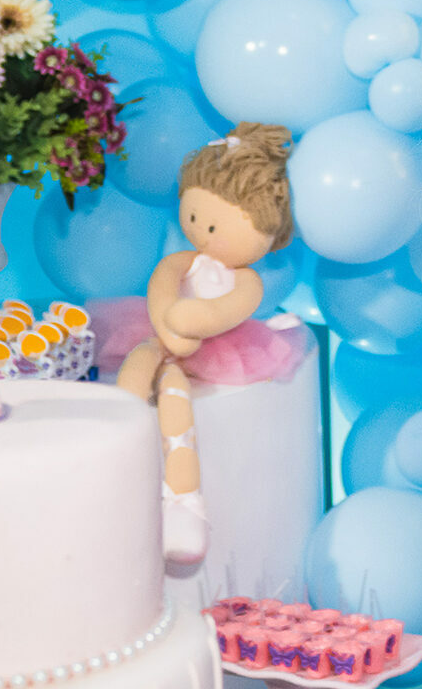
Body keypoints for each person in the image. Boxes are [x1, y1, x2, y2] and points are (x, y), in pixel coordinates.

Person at [98, 121, 309, 564]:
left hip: (218, 347)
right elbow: (162, 285)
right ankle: (112, 454)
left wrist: (189, 320)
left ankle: (184, 503)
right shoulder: (184, 259)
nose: (200, 230)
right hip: (160, 333)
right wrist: (169, 321)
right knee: (137, 365)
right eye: (194, 217)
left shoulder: (248, 281)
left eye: (214, 224)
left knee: (174, 391)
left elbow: (224, 311)